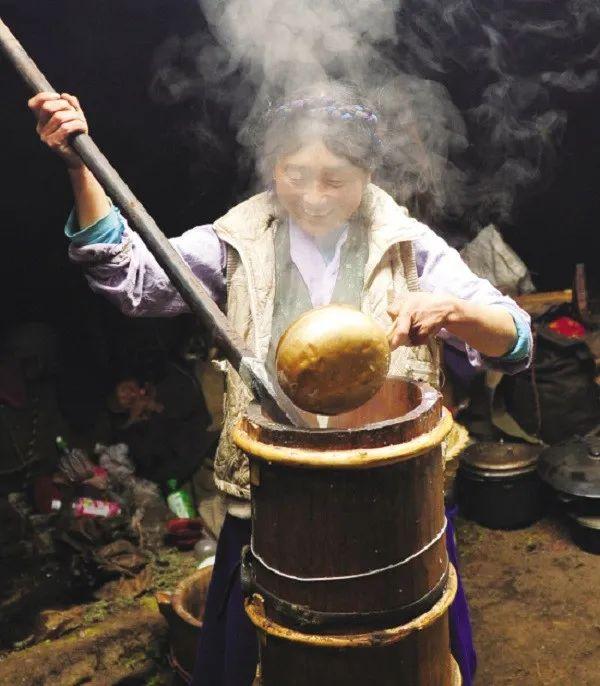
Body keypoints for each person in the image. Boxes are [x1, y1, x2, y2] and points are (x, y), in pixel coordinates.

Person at [29, 83, 532, 686]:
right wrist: (79, 167)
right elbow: (130, 278)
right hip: (272, 502)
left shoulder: (408, 246)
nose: (314, 197)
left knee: (401, 659)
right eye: (296, 174)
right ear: (272, 167)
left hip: (391, 502)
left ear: (368, 174)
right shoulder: (237, 243)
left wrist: (453, 311)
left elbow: (518, 340)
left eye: (335, 179)